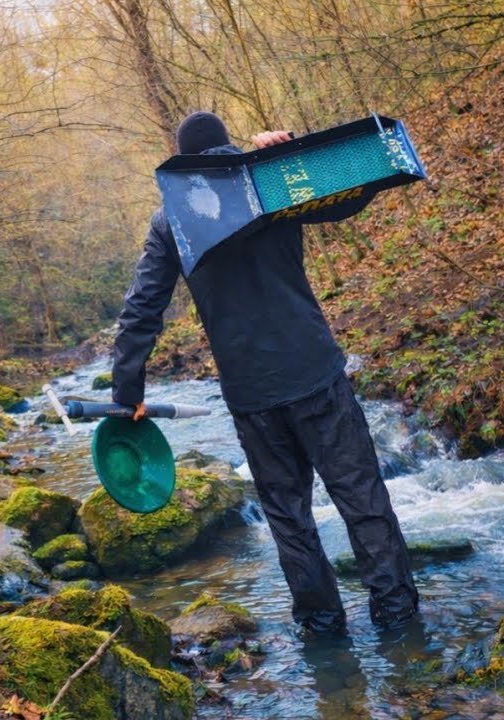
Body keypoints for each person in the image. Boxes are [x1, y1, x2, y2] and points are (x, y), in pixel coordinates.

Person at [111, 111, 419, 632]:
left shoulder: (170, 220)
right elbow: (350, 190)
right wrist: (291, 154)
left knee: (288, 517)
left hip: (251, 393)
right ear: (228, 144)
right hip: (315, 373)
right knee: (363, 500)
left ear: (183, 161)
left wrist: (128, 393)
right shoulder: (270, 183)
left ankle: (322, 626)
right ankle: (398, 620)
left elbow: (142, 309)